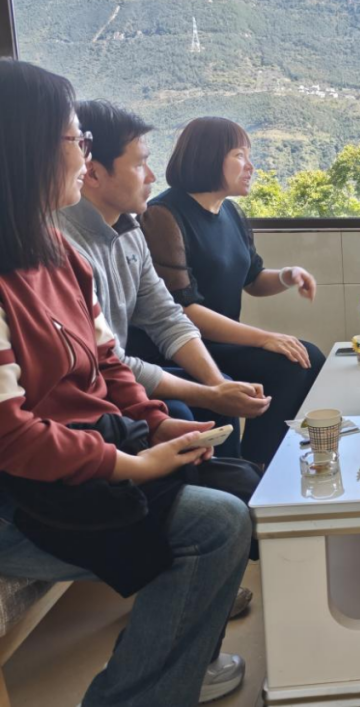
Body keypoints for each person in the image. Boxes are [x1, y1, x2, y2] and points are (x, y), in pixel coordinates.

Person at [0, 59, 250, 706]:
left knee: (232, 485)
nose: (83, 157)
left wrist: (157, 424)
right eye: (74, 140)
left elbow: (109, 362)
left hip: (75, 456)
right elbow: (12, 436)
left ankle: (163, 667)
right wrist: (129, 464)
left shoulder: (59, 254)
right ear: (25, 147)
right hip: (20, 491)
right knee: (217, 524)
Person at [59, 100, 272, 463]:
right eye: (139, 164)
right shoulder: (62, 244)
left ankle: (241, 478)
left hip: (118, 373)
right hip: (90, 388)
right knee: (187, 409)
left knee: (222, 392)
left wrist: (217, 384)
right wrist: (210, 394)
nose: (151, 177)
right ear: (92, 173)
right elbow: (105, 361)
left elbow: (167, 317)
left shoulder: (130, 231)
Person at [137, 117, 325, 467]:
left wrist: (288, 276)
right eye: (239, 155)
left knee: (306, 358)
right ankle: (248, 468)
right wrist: (264, 338)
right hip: (181, 347)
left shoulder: (231, 212)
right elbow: (182, 310)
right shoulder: (163, 216)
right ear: (209, 157)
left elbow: (253, 279)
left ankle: (260, 462)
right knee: (293, 359)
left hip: (219, 342)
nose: (250, 165)